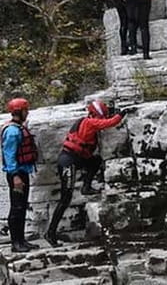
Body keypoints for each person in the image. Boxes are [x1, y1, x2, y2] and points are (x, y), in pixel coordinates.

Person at [44, 99, 125, 247]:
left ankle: (86, 187)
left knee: (95, 161)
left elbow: (102, 123)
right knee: (65, 198)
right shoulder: (89, 122)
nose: (101, 119)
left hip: (76, 158)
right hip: (68, 161)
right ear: (94, 114)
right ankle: (50, 233)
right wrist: (120, 115)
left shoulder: (87, 122)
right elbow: (108, 123)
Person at [1, 97, 40, 252]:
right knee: (16, 207)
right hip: (16, 174)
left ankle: (22, 240)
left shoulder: (18, 127)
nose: (27, 112)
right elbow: (9, 155)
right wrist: (15, 176)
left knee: (22, 206)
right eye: (26, 110)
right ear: (20, 112)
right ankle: (15, 242)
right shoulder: (12, 131)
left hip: (22, 172)